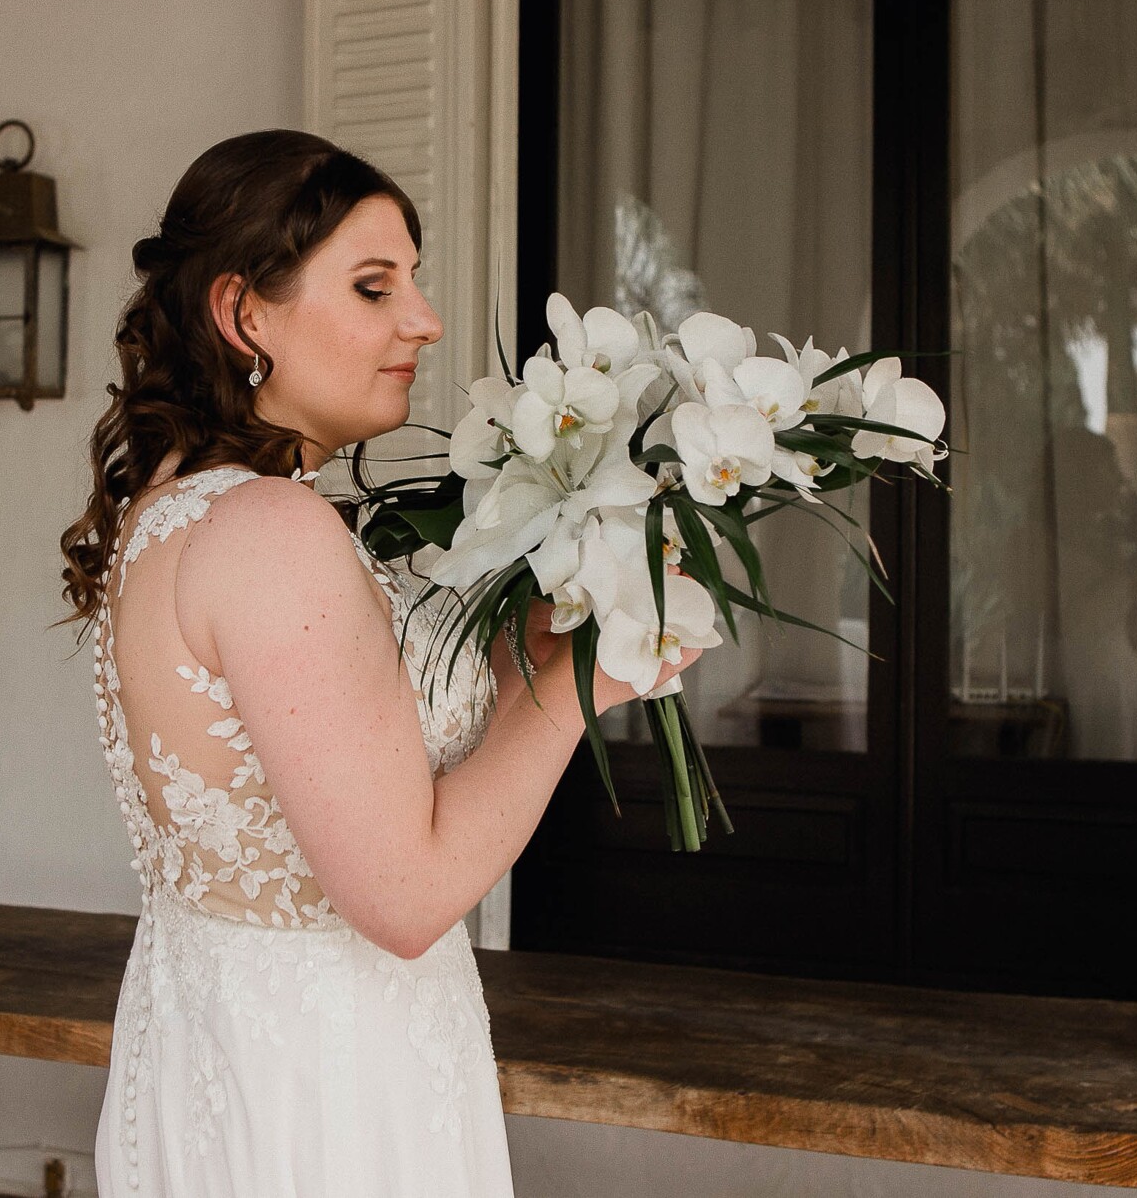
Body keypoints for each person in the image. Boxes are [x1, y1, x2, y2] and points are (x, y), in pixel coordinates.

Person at [58, 129, 701, 1196]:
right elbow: (401, 896)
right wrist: (576, 684)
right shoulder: (273, 531)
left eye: (413, 278)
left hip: (222, 1041)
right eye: (372, 286)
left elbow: (352, 775)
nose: (423, 319)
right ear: (242, 313)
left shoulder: (173, 510)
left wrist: (527, 653)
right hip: (321, 1088)